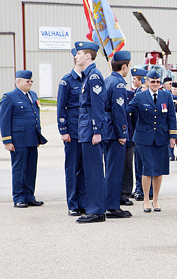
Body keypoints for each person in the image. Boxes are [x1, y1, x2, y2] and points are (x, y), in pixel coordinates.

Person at [126, 70, 177, 213]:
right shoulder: (140, 96)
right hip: (144, 138)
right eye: (152, 82)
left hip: (161, 137)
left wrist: (173, 136)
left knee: (159, 170)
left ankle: (155, 199)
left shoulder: (166, 96)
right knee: (147, 170)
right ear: (147, 82)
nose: (155, 84)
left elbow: (171, 117)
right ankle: (146, 200)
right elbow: (127, 110)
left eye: (157, 82)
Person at [0, 70, 47, 208]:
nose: (30, 83)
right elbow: (4, 120)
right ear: (18, 81)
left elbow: (36, 116)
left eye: (31, 81)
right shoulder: (9, 97)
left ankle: (29, 196)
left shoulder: (32, 95)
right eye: (27, 81)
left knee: (31, 169)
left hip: (32, 138)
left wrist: (38, 137)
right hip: (18, 140)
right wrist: (7, 141)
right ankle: (19, 197)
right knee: (19, 169)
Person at [74, 41, 107, 223]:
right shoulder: (87, 76)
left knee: (94, 171)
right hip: (85, 128)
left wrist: (97, 131)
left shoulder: (94, 76)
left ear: (88, 56)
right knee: (89, 169)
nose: (76, 56)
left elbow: (98, 105)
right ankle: (93, 207)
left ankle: (96, 210)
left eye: (79, 53)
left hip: (91, 130)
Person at [102, 50, 132, 218]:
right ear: (124, 66)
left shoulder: (108, 80)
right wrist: (122, 132)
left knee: (110, 168)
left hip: (107, 130)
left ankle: (109, 202)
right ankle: (112, 207)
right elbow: (119, 110)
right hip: (114, 131)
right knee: (115, 169)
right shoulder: (119, 84)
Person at [57, 48, 86, 215]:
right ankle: (73, 204)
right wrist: (63, 130)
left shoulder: (89, 78)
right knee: (72, 168)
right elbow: (61, 107)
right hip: (73, 131)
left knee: (84, 169)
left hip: (86, 131)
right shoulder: (67, 81)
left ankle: (83, 202)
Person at [129, 68, 148, 202]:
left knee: (143, 163)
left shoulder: (143, 94)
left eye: (135, 79)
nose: (133, 81)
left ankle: (143, 190)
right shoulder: (136, 93)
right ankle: (138, 188)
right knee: (137, 163)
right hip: (135, 133)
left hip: (142, 132)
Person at [166, 77, 177, 161]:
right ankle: (171, 154)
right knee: (170, 137)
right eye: (174, 89)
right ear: (171, 89)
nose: (176, 91)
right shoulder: (167, 97)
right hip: (170, 119)